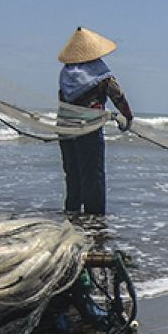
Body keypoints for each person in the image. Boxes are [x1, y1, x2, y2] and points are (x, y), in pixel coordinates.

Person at [58, 27, 134, 216]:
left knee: (72, 173)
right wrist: (128, 117)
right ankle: (95, 219)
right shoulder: (101, 74)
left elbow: (63, 102)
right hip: (89, 129)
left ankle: (72, 213)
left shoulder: (66, 74)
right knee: (93, 174)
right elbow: (119, 98)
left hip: (66, 129)